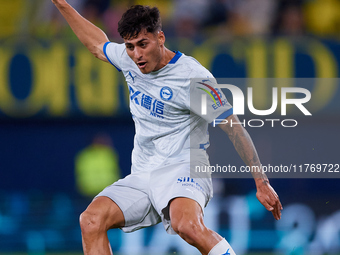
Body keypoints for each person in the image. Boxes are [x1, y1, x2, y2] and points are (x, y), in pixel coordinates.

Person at [51, 1, 283, 254]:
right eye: (130, 46)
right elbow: (96, 44)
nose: (137, 54)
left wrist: (261, 182)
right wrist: (61, 4)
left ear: (160, 37)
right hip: (143, 173)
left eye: (143, 44)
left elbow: (234, 128)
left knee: (187, 226)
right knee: (91, 220)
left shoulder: (194, 78)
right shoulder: (130, 60)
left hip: (184, 168)